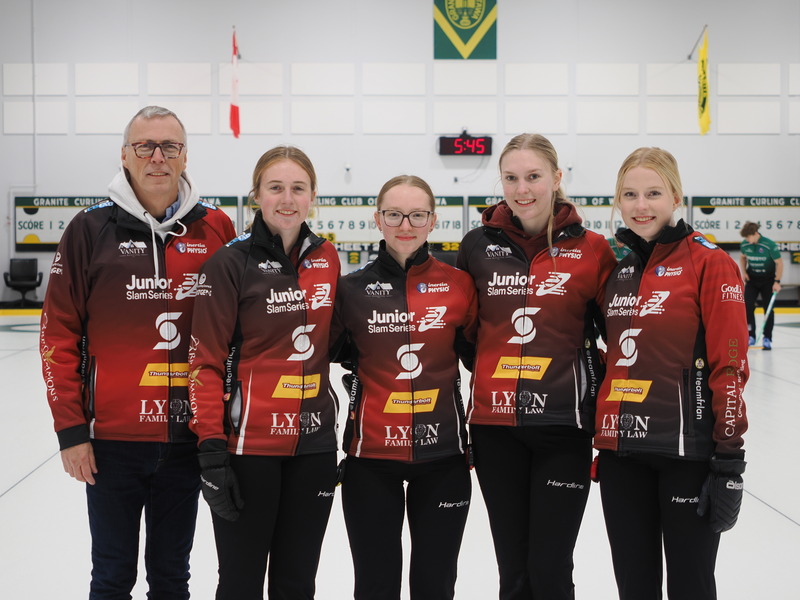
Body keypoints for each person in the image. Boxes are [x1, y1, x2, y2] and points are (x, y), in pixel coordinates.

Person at [39, 105, 237, 599]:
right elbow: (58, 336)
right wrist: (70, 431)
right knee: (111, 577)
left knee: (172, 578)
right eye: (145, 146)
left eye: (169, 146)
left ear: (185, 156)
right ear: (124, 155)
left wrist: (223, 426)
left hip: (187, 437)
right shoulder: (88, 230)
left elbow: (236, 334)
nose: (157, 157)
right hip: (110, 443)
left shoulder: (216, 229)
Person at [456, 133, 617, 599]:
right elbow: (467, 332)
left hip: (564, 430)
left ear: (557, 178)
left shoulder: (593, 249)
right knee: (513, 569)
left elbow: (616, 331)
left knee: (550, 569)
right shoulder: (476, 246)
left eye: (533, 176)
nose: (521, 188)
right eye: (510, 178)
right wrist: (490, 370)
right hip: (495, 428)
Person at [594, 147, 749, 599]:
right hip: (622, 454)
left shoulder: (710, 262)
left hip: (688, 454)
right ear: (619, 202)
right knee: (634, 587)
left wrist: (730, 458)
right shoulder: (618, 272)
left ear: (676, 197)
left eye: (654, 193)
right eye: (630, 194)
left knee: (691, 586)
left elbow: (731, 361)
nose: (642, 205)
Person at [188, 146, 340, 599]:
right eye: (276, 188)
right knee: (241, 581)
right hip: (248, 448)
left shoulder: (326, 258)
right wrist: (212, 450)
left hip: (314, 446)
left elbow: (336, 339)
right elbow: (205, 361)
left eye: (298, 188)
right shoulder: (229, 262)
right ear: (257, 194)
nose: (287, 198)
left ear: (313, 195)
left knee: (297, 582)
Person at [331, 175, 478, 600]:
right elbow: (328, 354)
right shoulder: (350, 291)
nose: (405, 224)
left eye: (417, 214)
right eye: (394, 214)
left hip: (443, 458)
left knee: (435, 585)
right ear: (378, 219)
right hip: (370, 460)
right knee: (375, 585)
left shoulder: (458, 285)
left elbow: (478, 358)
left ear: (433, 221)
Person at [739, 220, 783, 349]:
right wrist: (744, 272)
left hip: (768, 280)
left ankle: (767, 338)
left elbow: (780, 263)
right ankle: (750, 335)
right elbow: (742, 257)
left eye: (748, 236)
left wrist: (777, 281)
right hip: (752, 280)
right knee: (747, 306)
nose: (747, 239)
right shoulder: (745, 245)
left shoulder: (769, 245)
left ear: (755, 233)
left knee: (768, 309)